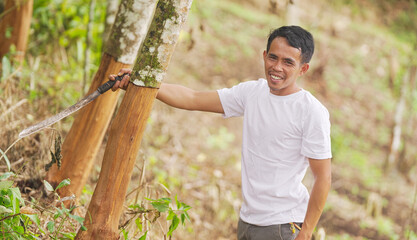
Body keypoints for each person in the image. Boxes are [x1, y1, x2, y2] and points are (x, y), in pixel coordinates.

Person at [110, 25, 332, 240]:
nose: (277, 67)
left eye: (288, 62)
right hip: (248, 220)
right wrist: (143, 82)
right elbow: (193, 98)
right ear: (264, 55)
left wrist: (306, 233)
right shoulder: (253, 93)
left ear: (303, 69)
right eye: (273, 57)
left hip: (282, 226)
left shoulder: (311, 112)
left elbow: (323, 176)